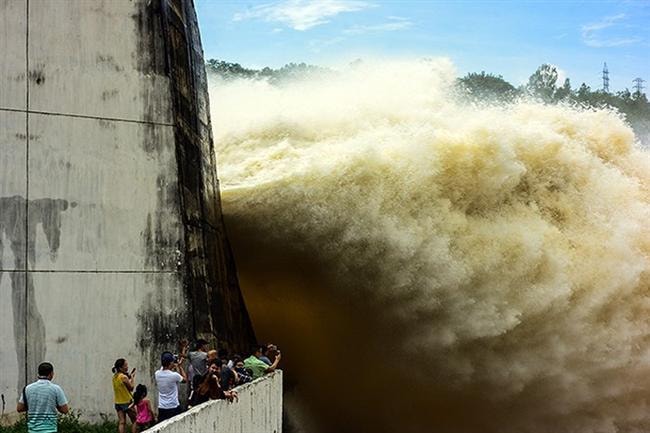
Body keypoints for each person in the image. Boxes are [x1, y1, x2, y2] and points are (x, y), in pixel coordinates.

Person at [17, 362, 69, 433]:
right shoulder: (56, 389)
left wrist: (33, 405)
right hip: (50, 430)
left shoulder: (27, 388)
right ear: (51, 374)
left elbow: (19, 408)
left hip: (32, 430)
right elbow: (65, 410)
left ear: (38, 373)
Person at [155, 351, 187, 422]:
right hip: (173, 407)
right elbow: (185, 379)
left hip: (162, 407)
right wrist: (179, 366)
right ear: (170, 363)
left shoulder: (157, 374)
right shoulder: (174, 375)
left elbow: (163, 368)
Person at [112, 358, 136, 433]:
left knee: (122, 422)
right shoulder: (123, 377)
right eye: (125, 365)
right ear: (120, 367)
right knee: (135, 420)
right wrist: (132, 377)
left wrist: (128, 377)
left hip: (118, 402)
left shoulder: (115, 377)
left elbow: (122, 386)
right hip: (127, 402)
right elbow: (131, 388)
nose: (127, 367)